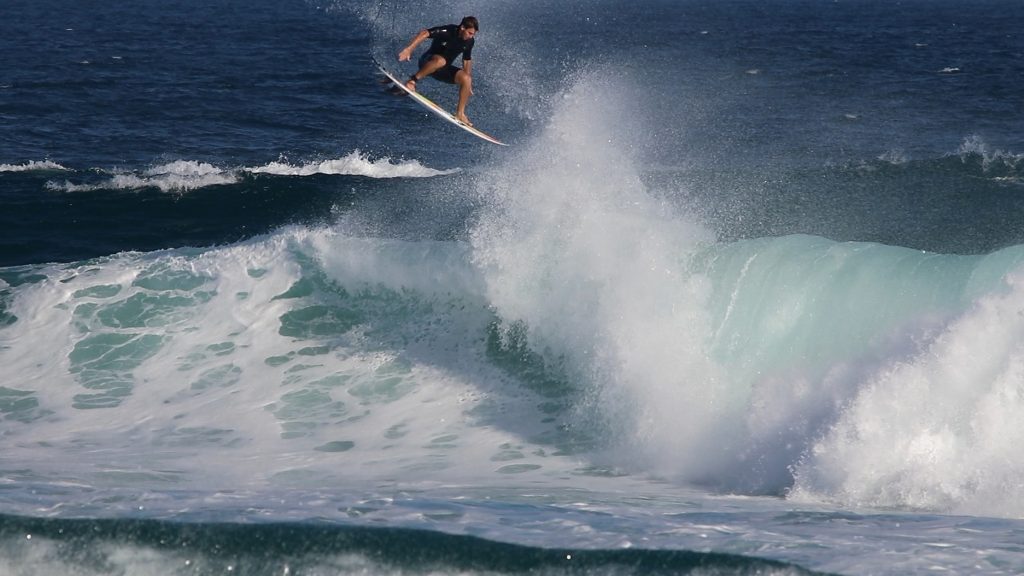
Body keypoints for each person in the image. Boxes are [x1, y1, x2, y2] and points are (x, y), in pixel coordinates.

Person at [397, 16, 479, 126]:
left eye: (473, 34)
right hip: (427, 62)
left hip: (442, 70)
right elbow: (424, 33)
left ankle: (460, 113)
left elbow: (467, 60)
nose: (471, 36)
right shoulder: (448, 31)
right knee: (441, 61)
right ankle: (412, 81)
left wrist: (468, 85)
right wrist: (408, 49)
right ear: (463, 27)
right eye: (470, 33)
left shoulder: (469, 41)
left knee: (467, 79)